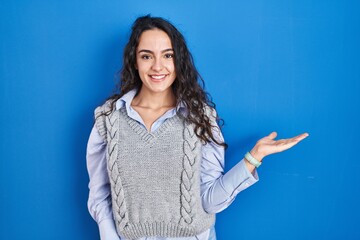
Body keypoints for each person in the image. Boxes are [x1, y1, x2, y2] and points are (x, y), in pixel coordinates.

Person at [86, 15, 309, 240]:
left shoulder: (200, 117)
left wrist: (254, 157)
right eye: (146, 56)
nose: (157, 66)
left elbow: (209, 200)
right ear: (135, 61)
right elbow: (99, 197)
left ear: (178, 60)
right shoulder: (109, 119)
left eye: (168, 55)